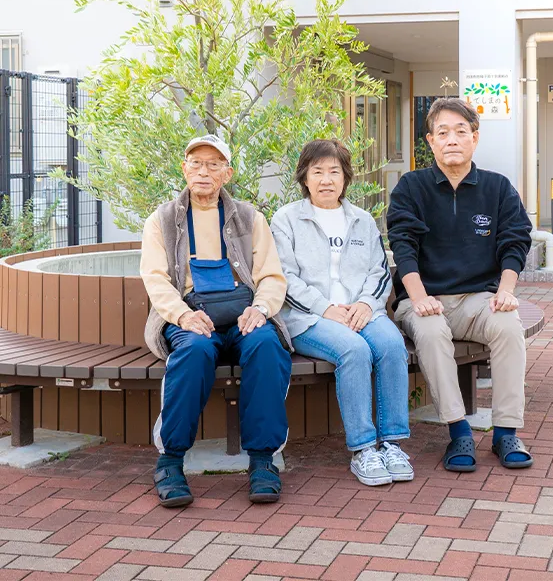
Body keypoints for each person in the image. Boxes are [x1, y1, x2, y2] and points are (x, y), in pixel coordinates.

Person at [141, 134, 292, 508]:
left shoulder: (249, 217)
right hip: (189, 314)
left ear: (228, 173)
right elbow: (156, 280)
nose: (203, 172)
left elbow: (272, 276)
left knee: (267, 345)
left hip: (243, 311)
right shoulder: (162, 220)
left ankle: (262, 461)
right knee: (192, 351)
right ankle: (171, 461)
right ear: (184, 169)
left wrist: (261, 309)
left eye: (213, 165)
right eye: (196, 163)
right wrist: (183, 315)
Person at [387, 98, 534, 472]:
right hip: (423, 298)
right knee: (432, 331)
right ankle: (458, 431)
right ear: (431, 141)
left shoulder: (497, 187)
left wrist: (506, 291)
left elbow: (515, 240)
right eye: (443, 133)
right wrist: (419, 298)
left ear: (475, 138)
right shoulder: (411, 187)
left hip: (476, 300)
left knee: (507, 326)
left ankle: (505, 431)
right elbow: (403, 244)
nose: (452, 139)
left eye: (460, 132)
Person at [271, 139, 413, 486]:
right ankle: (364, 448)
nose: (326, 179)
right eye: (317, 171)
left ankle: (392, 443)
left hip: (361, 312)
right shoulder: (287, 219)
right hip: (309, 319)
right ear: (304, 177)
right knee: (354, 350)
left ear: (345, 178)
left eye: (334, 171)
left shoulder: (361, 220)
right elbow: (284, 277)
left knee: (392, 346)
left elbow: (379, 271)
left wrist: (366, 304)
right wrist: (325, 309)